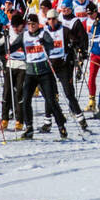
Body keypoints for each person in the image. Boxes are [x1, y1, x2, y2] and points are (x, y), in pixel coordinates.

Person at [19, 12, 68, 140]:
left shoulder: (43, 34)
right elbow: (12, 46)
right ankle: (29, 128)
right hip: (30, 73)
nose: (31, 26)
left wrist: (44, 44)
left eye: (33, 24)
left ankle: (61, 126)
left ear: (37, 24)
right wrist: (5, 41)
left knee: (51, 101)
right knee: (25, 101)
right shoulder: (24, 35)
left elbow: (51, 45)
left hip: (44, 73)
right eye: (29, 24)